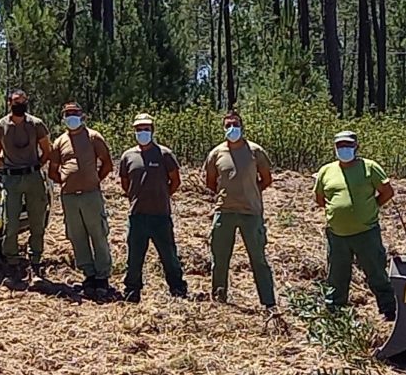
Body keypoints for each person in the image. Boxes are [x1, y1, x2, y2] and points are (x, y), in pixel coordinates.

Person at [314, 128, 398, 313]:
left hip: (366, 233)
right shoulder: (326, 171)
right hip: (337, 235)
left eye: (348, 145)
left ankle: (389, 310)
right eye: (340, 145)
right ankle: (335, 312)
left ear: (356, 146)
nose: (344, 149)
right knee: (336, 276)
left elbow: (387, 191)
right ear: (335, 148)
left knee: (376, 273)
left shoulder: (369, 167)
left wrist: (372, 206)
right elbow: (320, 198)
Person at [201, 109, 277, 312]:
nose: (232, 128)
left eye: (235, 124)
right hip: (224, 212)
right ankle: (219, 298)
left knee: (258, 259)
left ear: (242, 127)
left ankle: (268, 302)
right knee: (220, 258)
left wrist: (251, 192)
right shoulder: (216, 153)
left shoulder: (255, 151)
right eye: (228, 125)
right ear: (223, 128)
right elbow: (210, 182)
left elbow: (266, 179)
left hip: (250, 213)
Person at [116, 113, 187, 302]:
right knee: (134, 257)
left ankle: (177, 288)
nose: (142, 132)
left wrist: (162, 195)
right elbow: (125, 183)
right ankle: (132, 291)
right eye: (139, 129)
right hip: (137, 215)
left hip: (160, 216)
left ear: (152, 130)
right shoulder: (128, 156)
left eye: (146, 129)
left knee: (169, 255)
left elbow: (175, 181)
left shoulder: (164, 154)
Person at [0, 89, 55, 279]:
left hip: (33, 177)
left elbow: (46, 150)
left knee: (37, 221)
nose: (20, 104)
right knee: (10, 222)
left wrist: (35, 167)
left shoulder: (36, 125)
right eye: (16, 101)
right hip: (11, 180)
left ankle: (36, 260)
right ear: (9, 103)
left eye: (23, 101)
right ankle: (12, 261)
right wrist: (11, 170)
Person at [50, 100, 114, 296]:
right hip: (69, 198)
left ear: (82, 116)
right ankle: (89, 275)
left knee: (98, 233)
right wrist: (66, 182)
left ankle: (102, 277)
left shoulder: (94, 137)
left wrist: (93, 180)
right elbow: (53, 170)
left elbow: (107, 164)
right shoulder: (60, 141)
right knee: (77, 236)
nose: (71, 117)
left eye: (75, 113)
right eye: (67, 114)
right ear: (63, 118)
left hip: (91, 195)